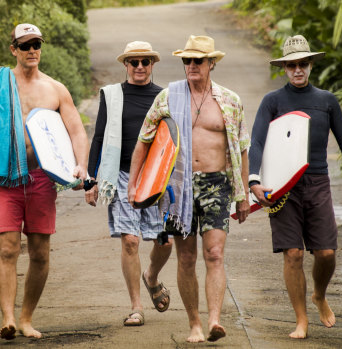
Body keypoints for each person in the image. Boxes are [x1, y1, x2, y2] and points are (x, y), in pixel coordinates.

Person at [0, 23, 89, 340]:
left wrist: (81, 166)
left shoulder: (55, 89)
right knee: (7, 249)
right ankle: (7, 318)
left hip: (40, 179)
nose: (32, 49)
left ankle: (26, 317)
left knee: (39, 254)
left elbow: (76, 130)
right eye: (25, 45)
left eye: (36, 44)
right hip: (6, 178)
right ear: (13, 50)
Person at [127, 35, 251, 343]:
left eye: (198, 60)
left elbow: (243, 149)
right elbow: (144, 142)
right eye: (187, 60)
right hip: (177, 188)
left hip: (217, 184)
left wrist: (244, 194)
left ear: (211, 63)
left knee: (215, 253)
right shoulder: (169, 97)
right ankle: (194, 323)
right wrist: (134, 185)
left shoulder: (230, 101)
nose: (192, 65)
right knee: (185, 258)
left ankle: (214, 321)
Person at [248, 35, 342, 339]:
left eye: (303, 64)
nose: (298, 69)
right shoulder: (272, 101)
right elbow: (257, 141)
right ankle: (301, 320)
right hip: (283, 185)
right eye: (292, 65)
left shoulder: (326, 101)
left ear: (311, 65)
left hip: (317, 182)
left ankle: (319, 294)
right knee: (293, 254)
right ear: (284, 68)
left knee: (326, 253)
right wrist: (254, 178)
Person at [84, 41, 173, 326]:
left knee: (165, 241)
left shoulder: (165, 97)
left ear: (152, 65)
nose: (139, 67)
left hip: (158, 177)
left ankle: (152, 276)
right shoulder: (112, 95)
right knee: (131, 240)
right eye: (133, 62)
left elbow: (175, 139)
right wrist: (90, 179)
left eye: (144, 62)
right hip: (121, 175)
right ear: (125, 65)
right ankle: (136, 307)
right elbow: (98, 137)